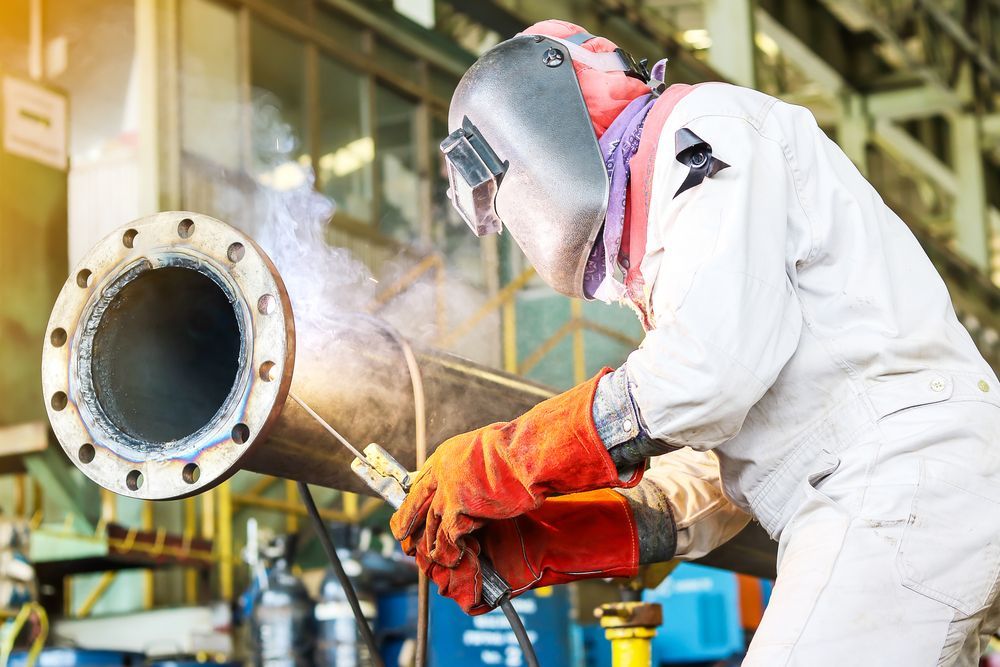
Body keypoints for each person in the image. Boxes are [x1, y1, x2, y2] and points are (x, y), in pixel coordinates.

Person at [390, 19, 1000, 664]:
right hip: (904, 488)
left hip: (902, 478)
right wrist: (564, 537)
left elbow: (710, 377)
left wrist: (506, 459)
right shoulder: (683, 248)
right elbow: (733, 452)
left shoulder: (705, 127)